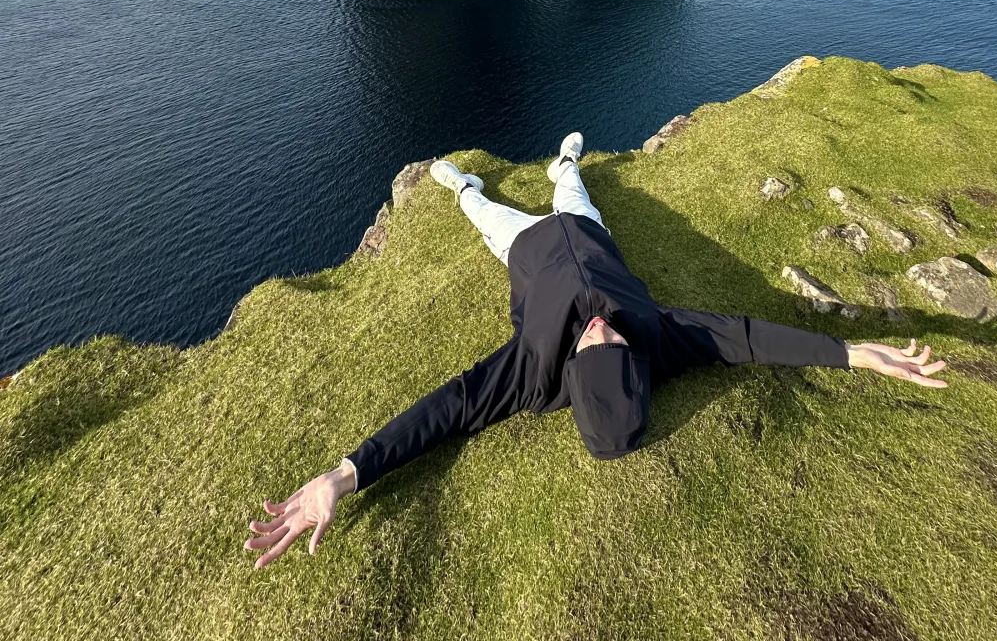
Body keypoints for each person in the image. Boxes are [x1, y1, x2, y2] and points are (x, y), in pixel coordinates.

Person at [245, 132, 946, 568]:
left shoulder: (528, 374)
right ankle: (567, 161)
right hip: (588, 234)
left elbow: (446, 410)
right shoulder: (661, 344)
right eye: (612, 339)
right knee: (574, 190)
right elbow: (752, 338)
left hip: (526, 250)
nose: (602, 328)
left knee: (481, 212)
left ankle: (463, 181)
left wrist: (345, 475)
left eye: (593, 343)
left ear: (574, 377)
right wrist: (851, 353)